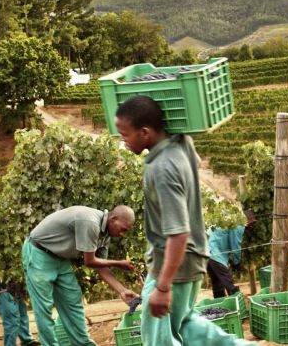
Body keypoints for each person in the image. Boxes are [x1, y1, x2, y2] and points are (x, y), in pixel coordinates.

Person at [115, 95, 254, 346]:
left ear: (145, 133)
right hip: (193, 256)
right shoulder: (182, 144)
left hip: (174, 264)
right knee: (186, 324)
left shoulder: (162, 169)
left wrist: (163, 286)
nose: (122, 140)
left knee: (158, 336)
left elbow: (178, 233)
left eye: (125, 134)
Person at [22, 205, 140, 346]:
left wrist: (122, 290)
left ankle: (83, 344)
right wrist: (119, 263)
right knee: (44, 308)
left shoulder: (105, 234)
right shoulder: (90, 222)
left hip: (61, 258)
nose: (122, 234)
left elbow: (100, 266)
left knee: (73, 300)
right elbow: (89, 261)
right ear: (113, 219)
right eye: (123, 229)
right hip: (39, 253)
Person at [206, 209, 255, 298]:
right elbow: (235, 245)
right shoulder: (239, 224)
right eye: (250, 224)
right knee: (228, 282)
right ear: (246, 220)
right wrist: (237, 263)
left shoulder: (229, 219)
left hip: (206, 252)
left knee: (217, 282)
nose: (250, 226)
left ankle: (220, 307)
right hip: (215, 254)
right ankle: (238, 306)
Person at [0, 281, 40, 346]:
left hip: (18, 288)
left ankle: (27, 340)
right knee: (11, 321)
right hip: (4, 288)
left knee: (23, 316)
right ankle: (10, 344)